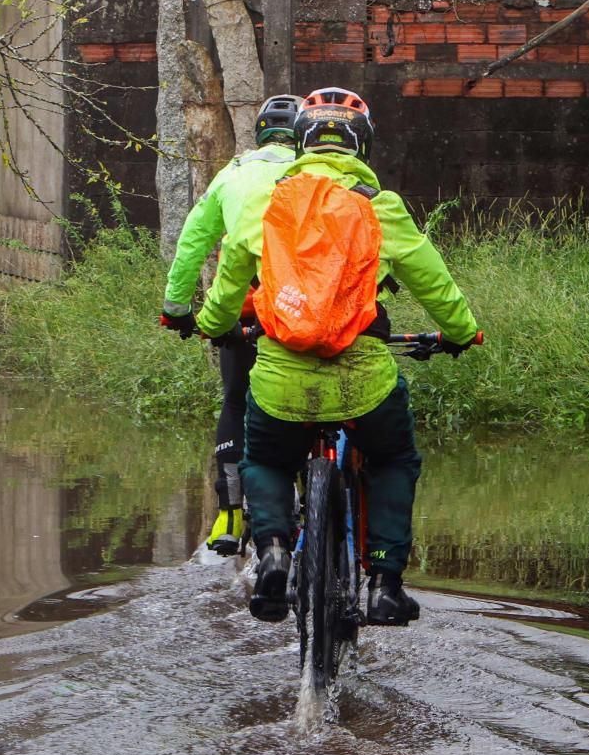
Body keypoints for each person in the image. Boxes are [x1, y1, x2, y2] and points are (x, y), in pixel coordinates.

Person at [195, 87, 479, 626]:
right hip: (363, 382)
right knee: (392, 459)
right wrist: (460, 333)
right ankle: (386, 583)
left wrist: (213, 324)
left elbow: (231, 273)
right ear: (363, 147)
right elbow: (434, 282)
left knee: (266, 459)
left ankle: (275, 549)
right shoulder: (380, 207)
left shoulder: (266, 205)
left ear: (300, 142)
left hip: (281, 381)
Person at [162, 94, 304, 555]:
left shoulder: (233, 174)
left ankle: (229, 514)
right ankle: (315, 500)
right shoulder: (323, 175)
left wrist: (177, 308)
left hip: (246, 311)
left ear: (259, 133)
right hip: (306, 312)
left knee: (237, 400)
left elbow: (191, 244)